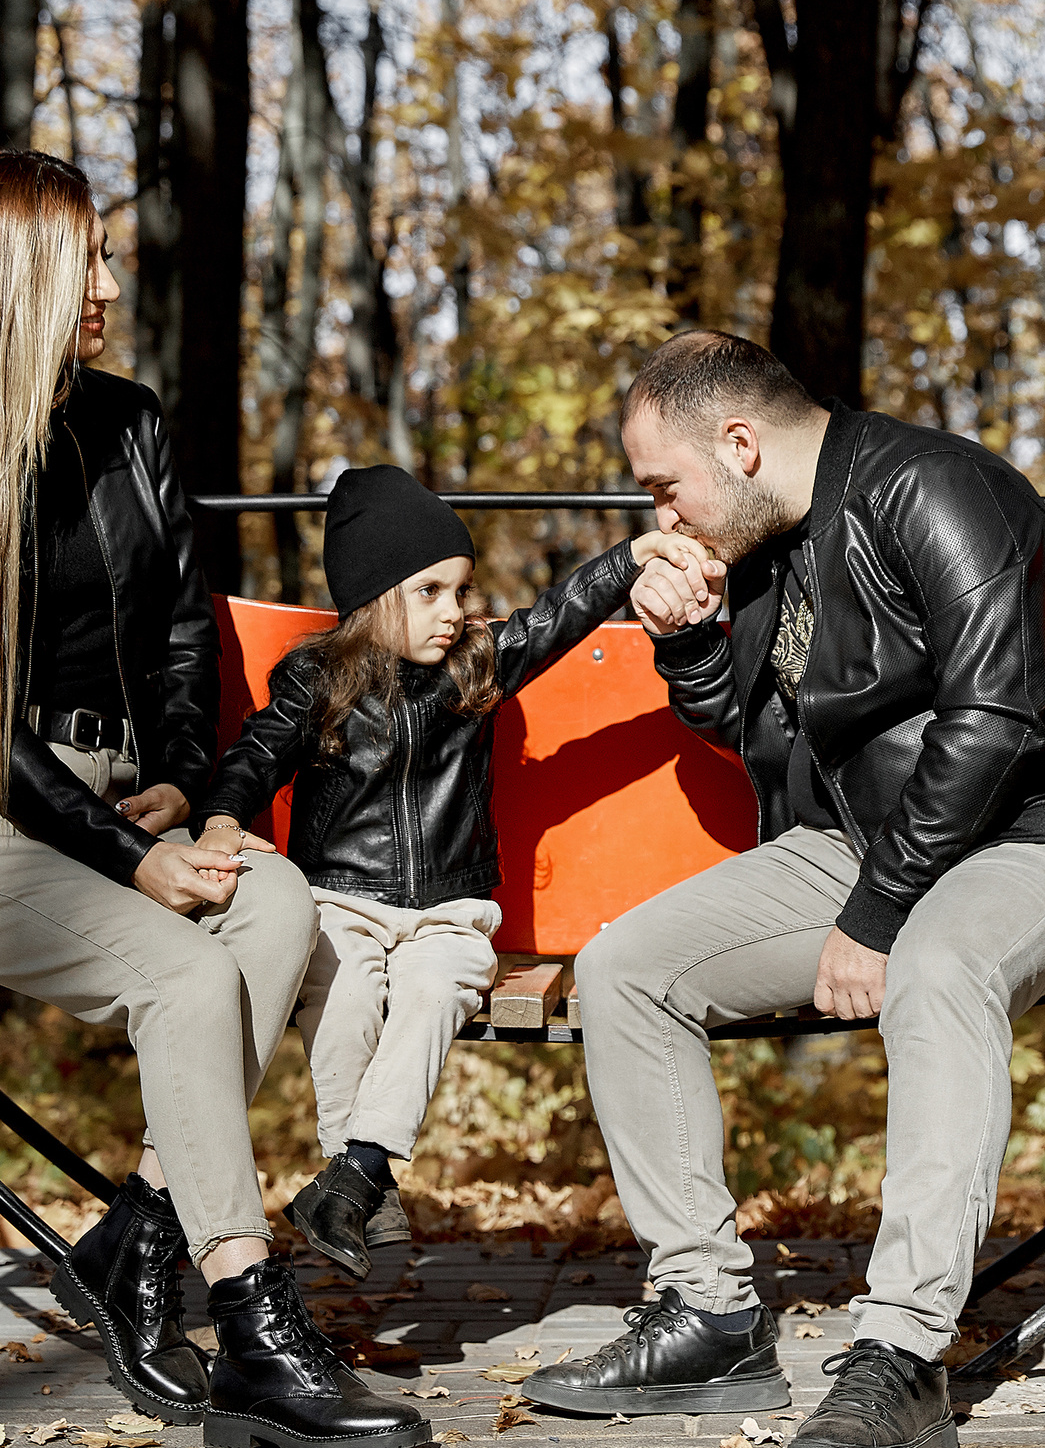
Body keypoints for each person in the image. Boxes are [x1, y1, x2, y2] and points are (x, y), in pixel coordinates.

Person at [0, 150, 430, 1448]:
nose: (107, 283)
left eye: (104, 256)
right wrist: (125, 855)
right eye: (84, 260)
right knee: (183, 973)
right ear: (10, 281)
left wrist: (184, 789)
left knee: (278, 906)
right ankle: (252, 1323)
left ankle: (134, 1241)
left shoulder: (129, 419)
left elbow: (177, 629)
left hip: (118, 801)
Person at [519, 331, 1045, 1448]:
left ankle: (902, 1353)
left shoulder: (938, 487)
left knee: (938, 968)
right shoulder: (766, 542)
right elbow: (753, 731)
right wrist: (688, 643)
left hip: (1035, 836)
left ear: (740, 442)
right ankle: (707, 1315)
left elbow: (997, 722)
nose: (659, 516)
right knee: (625, 970)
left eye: (664, 485)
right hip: (860, 847)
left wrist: (876, 916)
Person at [195, 466, 720, 1280]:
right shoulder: (318, 678)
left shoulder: (474, 665)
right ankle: (361, 1182)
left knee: (440, 987)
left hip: (450, 908)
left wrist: (632, 557)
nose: (455, 611)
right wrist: (224, 817)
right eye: (431, 591)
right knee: (341, 995)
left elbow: (557, 616)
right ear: (374, 597)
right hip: (341, 899)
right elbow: (255, 754)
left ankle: (354, 1177)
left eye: (463, 590)